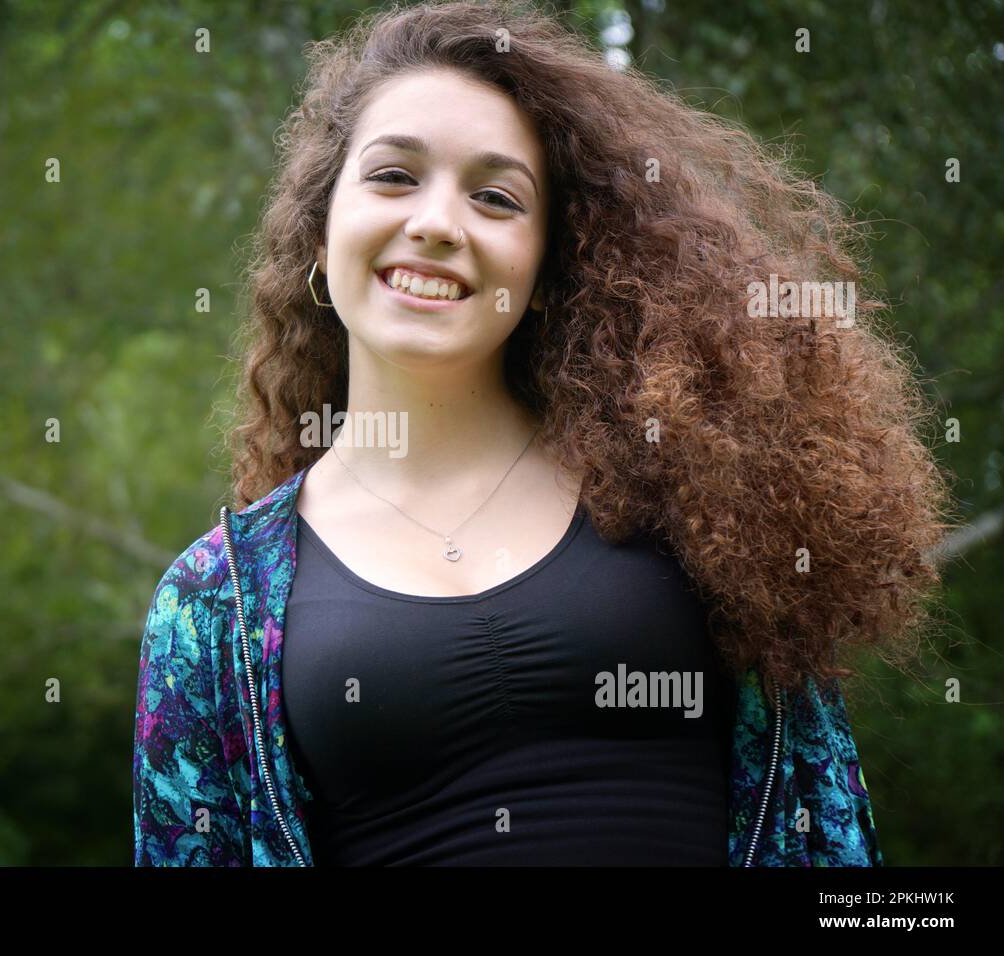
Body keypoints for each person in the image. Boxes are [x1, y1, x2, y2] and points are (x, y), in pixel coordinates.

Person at [134, 0, 950, 866]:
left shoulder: (699, 493)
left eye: (495, 196)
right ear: (321, 226)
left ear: (547, 262)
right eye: (393, 176)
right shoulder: (212, 607)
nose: (439, 223)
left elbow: (826, 822)